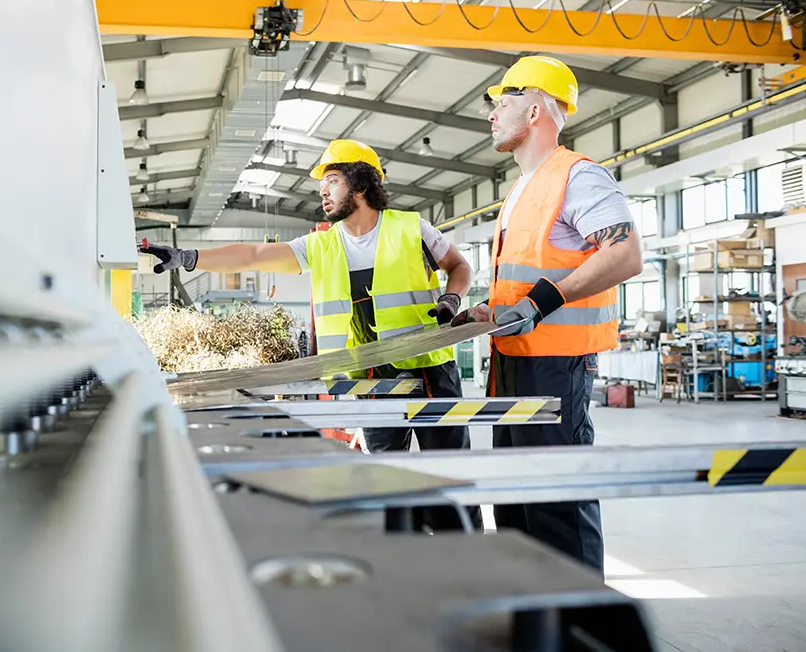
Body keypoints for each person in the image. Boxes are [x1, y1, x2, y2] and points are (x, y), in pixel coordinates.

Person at [141, 138, 482, 532]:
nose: (322, 190)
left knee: (449, 476)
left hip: (428, 370)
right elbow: (254, 256)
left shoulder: (411, 228)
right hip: (369, 379)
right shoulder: (320, 245)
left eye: (332, 179)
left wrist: (452, 299)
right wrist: (189, 257)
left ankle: (466, 548)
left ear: (361, 184)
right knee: (386, 479)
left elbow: (459, 266)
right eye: (321, 183)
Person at [450, 56, 643, 573]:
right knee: (514, 504)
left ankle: (582, 626)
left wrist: (542, 302)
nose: (492, 115)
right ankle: (532, 619)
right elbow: (526, 279)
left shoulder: (577, 176)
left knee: (558, 505)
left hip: (556, 368)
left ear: (535, 109)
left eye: (502, 103)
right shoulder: (519, 190)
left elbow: (625, 255)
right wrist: (487, 311)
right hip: (511, 363)